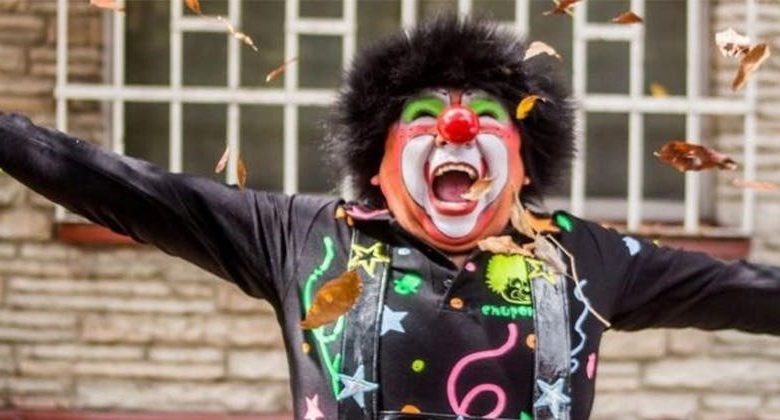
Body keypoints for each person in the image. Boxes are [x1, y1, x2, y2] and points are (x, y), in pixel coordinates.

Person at [0, 14, 779, 420]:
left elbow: (740, 291)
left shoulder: (585, 258)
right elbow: (124, 189)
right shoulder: (304, 237)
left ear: (525, 163)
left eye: (485, 116)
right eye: (425, 117)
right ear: (376, 162)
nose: (458, 128)